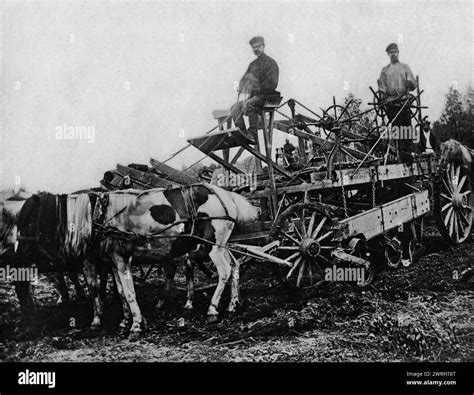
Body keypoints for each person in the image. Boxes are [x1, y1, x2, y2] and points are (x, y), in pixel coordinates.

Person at [231, 36, 279, 142]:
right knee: (234, 107)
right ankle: (242, 133)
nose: (256, 49)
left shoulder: (271, 63)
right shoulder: (252, 65)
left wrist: (256, 86)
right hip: (255, 97)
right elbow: (243, 81)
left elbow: (273, 83)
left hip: (268, 97)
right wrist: (242, 85)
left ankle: (252, 134)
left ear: (263, 46)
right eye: (253, 47)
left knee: (249, 103)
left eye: (258, 46)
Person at [378, 43, 417, 160]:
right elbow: (382, 89)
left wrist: (410, 83)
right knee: (396, 129)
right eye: (391, 53)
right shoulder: (385, 71)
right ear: (388, 54)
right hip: (391, 104)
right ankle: (398, 154)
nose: (393, 54)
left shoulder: (405, 67)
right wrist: (382, 99)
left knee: (406, 128)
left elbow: (413, 83)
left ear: (398, 52)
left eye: (395, 52)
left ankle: (407, 153)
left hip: (404, 102)